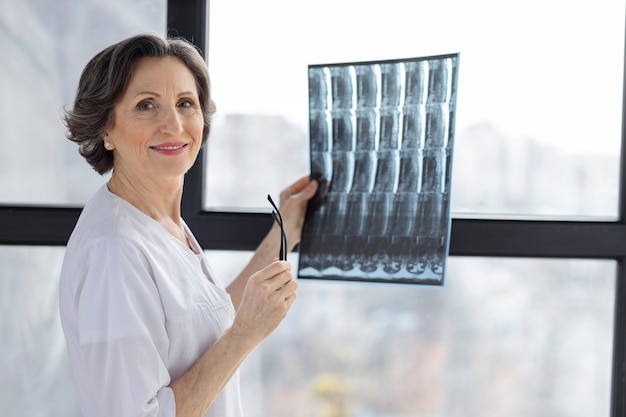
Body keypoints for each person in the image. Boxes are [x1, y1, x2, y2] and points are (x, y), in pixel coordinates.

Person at [58, 33, 318, 417]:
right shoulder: (113, 253)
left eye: (185, 103)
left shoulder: (159, 221)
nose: (174, 124)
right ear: (106, 129)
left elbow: (198, 325)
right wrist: (245, 335)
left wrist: (285, 234)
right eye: (146, 105)